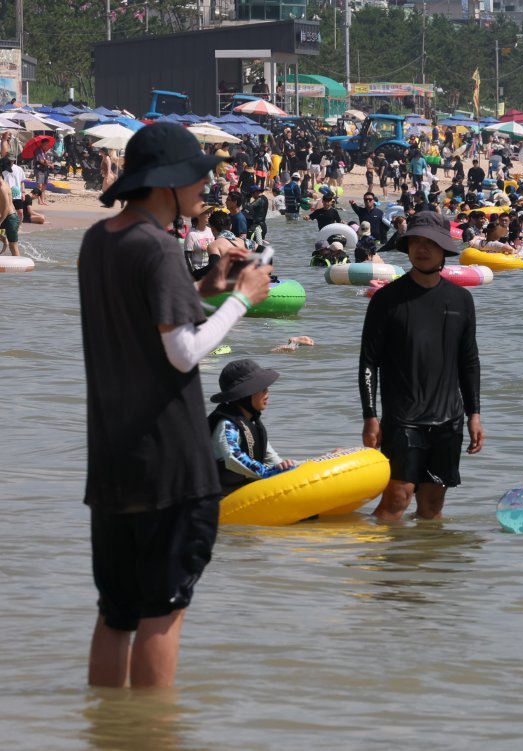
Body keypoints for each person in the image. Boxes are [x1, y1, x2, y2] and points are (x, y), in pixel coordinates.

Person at [79, 122, 273, 689]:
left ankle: (108, 726)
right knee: (162, 612)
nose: (205, 188)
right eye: (197, 177)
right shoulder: (159, 246)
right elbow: (183, 352)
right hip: (168, 460)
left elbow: (143, 314)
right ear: (167, 183)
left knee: (116, 614)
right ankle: (151, 730)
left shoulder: (99, 240)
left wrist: (207, 286)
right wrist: (242, 299)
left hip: (112, 459)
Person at [359, 212, 485, 522]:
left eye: (430, 242)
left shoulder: (461, 300)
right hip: (403, 419)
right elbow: (369, 362)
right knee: (396, 498)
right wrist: (370, 416)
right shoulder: (386, 300)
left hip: (449, 419)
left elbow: (469, 360)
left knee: (432, 504)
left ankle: (428, 555)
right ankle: (373, 553)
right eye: (415, 241)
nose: (421, 248)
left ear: (444, 249)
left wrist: (474, 414)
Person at [207, 359, 296, 492]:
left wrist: (287, 468)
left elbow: (274, 460)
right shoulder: (227, 424)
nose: (267, 393)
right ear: (244, 395)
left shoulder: (253, 425)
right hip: (219, 498)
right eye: (261, 388)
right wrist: (267, 473)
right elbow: (233, 457)